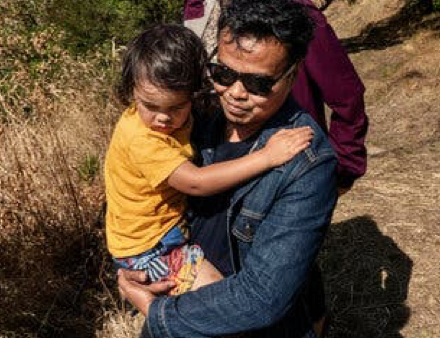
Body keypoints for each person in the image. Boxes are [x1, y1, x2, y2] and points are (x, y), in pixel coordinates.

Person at [119, 0, 338, 338]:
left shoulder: (307, 163)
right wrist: (135, 265)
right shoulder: (193, 113)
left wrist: (155, 312)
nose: (235, 92)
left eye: (257, 83)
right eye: (223, 72)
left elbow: (262, 298)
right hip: (182, 308)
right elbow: (137, 195)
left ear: (292, 76)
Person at [105, 24, 313, 295]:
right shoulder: (142, 140)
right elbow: (196, 183)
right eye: (150, 106)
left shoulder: (172, 115)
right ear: (133, 91)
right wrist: (267, 157)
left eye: (176, 107)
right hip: (147, 247)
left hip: (162, 233)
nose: (163, 118)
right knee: (216, 297)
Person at [183, 0, 368, 190]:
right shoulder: (203, 4)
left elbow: (347, 95)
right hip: (216, 155)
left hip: (280, 162)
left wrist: (341, 171)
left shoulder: (295, 15)